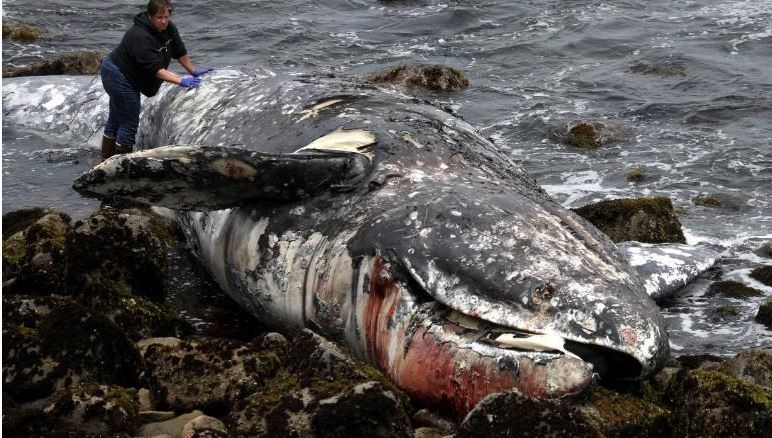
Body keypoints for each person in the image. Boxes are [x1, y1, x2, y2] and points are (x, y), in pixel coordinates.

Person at [100, 0, 211, 160]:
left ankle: (105, 161)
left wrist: (193, 71)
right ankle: (121, 166)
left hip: (126, 72)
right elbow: (155, 70)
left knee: (117, 117)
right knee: (128, 123)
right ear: (150, 16)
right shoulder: (140, 36)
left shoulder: (169, 27)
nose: (164, 20)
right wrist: (180, 80)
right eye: (160, 17)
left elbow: (179, 51)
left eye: (166, 16)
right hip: (118, 75)